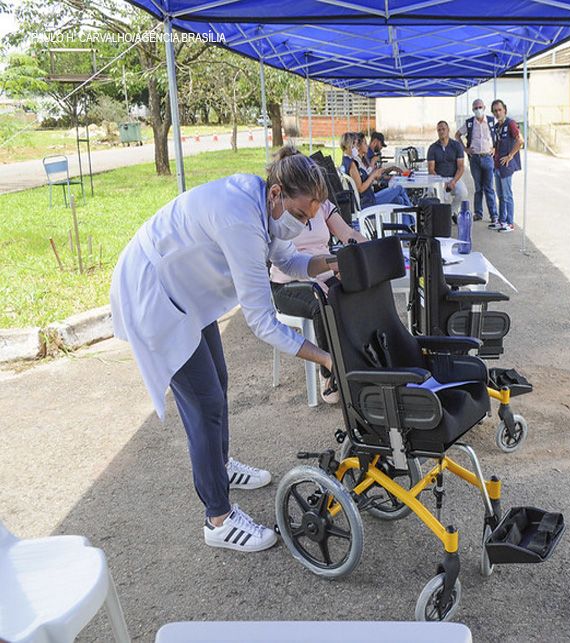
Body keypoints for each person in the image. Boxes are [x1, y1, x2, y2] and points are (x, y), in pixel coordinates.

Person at [110, 146, 335, 553]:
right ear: (278, 193)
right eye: (301, 216)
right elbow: (262, 321)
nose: (303, 225)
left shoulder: (262, 202)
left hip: (185, 291)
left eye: (309, 218)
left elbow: (288, 262)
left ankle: (221, 467)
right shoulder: (240, 218)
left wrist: (332, 262)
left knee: (220, 381)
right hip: (156, 293)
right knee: (205, 402)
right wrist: (322, 357)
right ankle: (218, 517)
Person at [270, 147, 368, 404]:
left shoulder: (321, 205)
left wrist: (365, 247)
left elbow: (347, 233)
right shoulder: (282, 210)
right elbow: (289, 263)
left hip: (321, 273)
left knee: (354, 293)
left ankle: (358, 361)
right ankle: (330, 372)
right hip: (288, 284)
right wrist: (334, 266)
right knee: (321, 303)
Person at [456, 98, 498, 223]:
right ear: (473, 110)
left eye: (480, 107)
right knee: (478, 188)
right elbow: (457, 135)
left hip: (488, 158)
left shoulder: (491, 121)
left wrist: (495, 148)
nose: (478, 110)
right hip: (474, 159)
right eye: (475, 108)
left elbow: (498, 135)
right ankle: (478, 213)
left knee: (489, 188)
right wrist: (465, 149)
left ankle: (494, 215)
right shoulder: (469, 123)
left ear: (484, 107)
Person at [341, 132, 410, 208]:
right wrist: (373, 175)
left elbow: (363, 182)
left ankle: (410, 217)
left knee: (399, 200)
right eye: (356, 145)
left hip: (368, 197)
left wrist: (374, 175)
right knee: (399, 188)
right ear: (351, 145)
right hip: (367, 202)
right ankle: (414, 213)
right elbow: (360, 189)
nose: (357, 148)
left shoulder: (346, 161)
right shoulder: (352, 164)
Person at [489, 100, 524, 233]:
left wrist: (510, 155)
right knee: (501, 195)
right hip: (498, 165)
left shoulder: (511, 124)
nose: (498, 113)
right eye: (495, 111)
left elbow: (520, 140)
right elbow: (497, 143)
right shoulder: (497, 126)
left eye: (499, 110)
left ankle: (510, 223)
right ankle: (502, 220)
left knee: (507, 195)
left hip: (506, 165)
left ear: (505, 110)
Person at [427, 120, 469, 216]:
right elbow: (431, 169)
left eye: (443, 129)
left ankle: (449, 213)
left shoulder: (456, 146)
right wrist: (441, 182)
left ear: (448, 130)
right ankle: (436, 216)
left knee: (463, 193)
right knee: (433, 194)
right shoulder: (432, 148)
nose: (441, 131)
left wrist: (453, 181)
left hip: (453, 177)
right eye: (439, 130)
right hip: (437, 178)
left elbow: (461, 167)